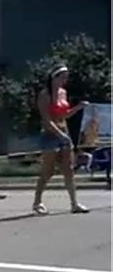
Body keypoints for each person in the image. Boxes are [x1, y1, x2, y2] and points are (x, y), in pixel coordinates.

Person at [33, 65, 89, 215]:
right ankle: (37, 201)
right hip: (50, 135)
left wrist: (78, 108)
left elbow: (64, 115)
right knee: (48, 170)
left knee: (68, 170)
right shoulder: (45, 95)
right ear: (54, 77)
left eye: (66, 77)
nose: (65, 80)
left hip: (63, 132)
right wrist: (59, 134)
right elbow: (46, 120)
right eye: (62, 76)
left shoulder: (63, 93)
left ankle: (74, 203)